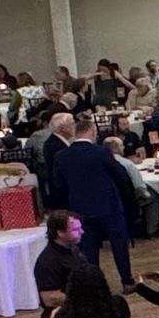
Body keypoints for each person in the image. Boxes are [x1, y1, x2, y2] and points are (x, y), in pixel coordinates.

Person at [50, 118, 138, 289]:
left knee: (89, 250)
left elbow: (57, 185)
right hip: (109, 206)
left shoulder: (61, 156)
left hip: (80, 209)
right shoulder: (102, 152)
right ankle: (126, 281)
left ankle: (96, 285)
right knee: (119, 246)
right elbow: (121, 175)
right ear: (92, 132)